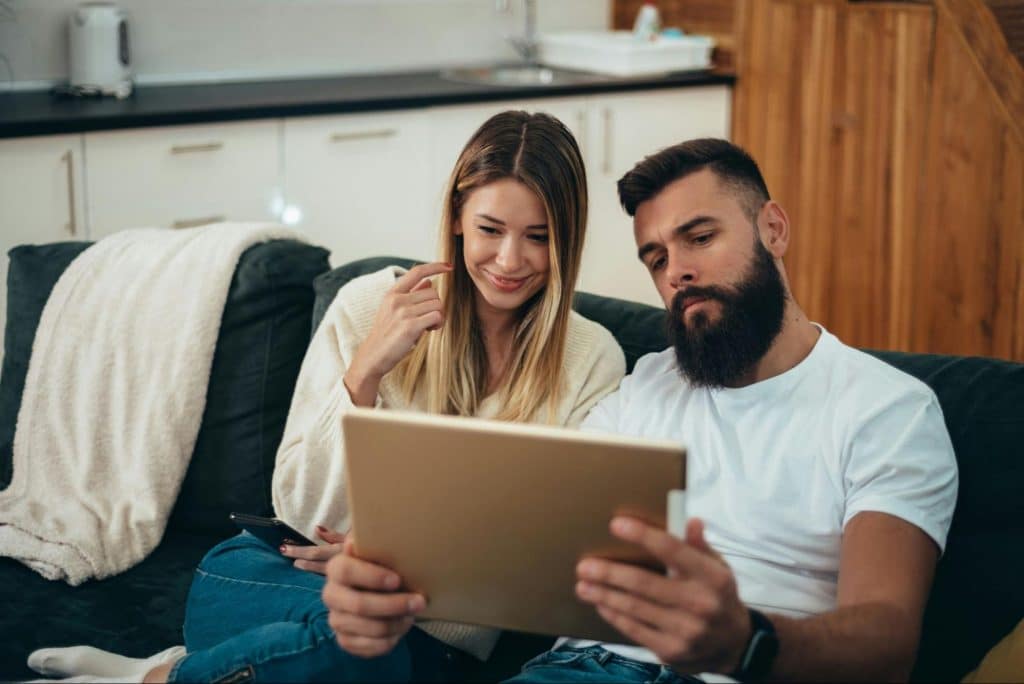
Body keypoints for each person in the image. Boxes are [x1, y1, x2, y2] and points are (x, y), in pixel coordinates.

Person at [323, 138, 959, 682]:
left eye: (700, 237)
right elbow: (526, 530)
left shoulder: (888, 409)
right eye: (655, 258)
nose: (676, 271)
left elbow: (888, 640)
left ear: (773, 229)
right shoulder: (645, 385)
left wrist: (745, 641)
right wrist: (388, 579)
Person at [26, 111, 626, 683]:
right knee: (356, 641)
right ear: (456, 223)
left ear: (566, 241)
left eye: (538, 237)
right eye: (489, 230)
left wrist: (376, 571)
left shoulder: (591, 359)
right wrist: (365, 372)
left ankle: (162, 675)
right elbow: (298, 504)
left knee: (369, 646)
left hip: (426, 637)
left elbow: (542, 558)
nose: (509, 260)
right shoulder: (369, 306)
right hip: (270, 576)